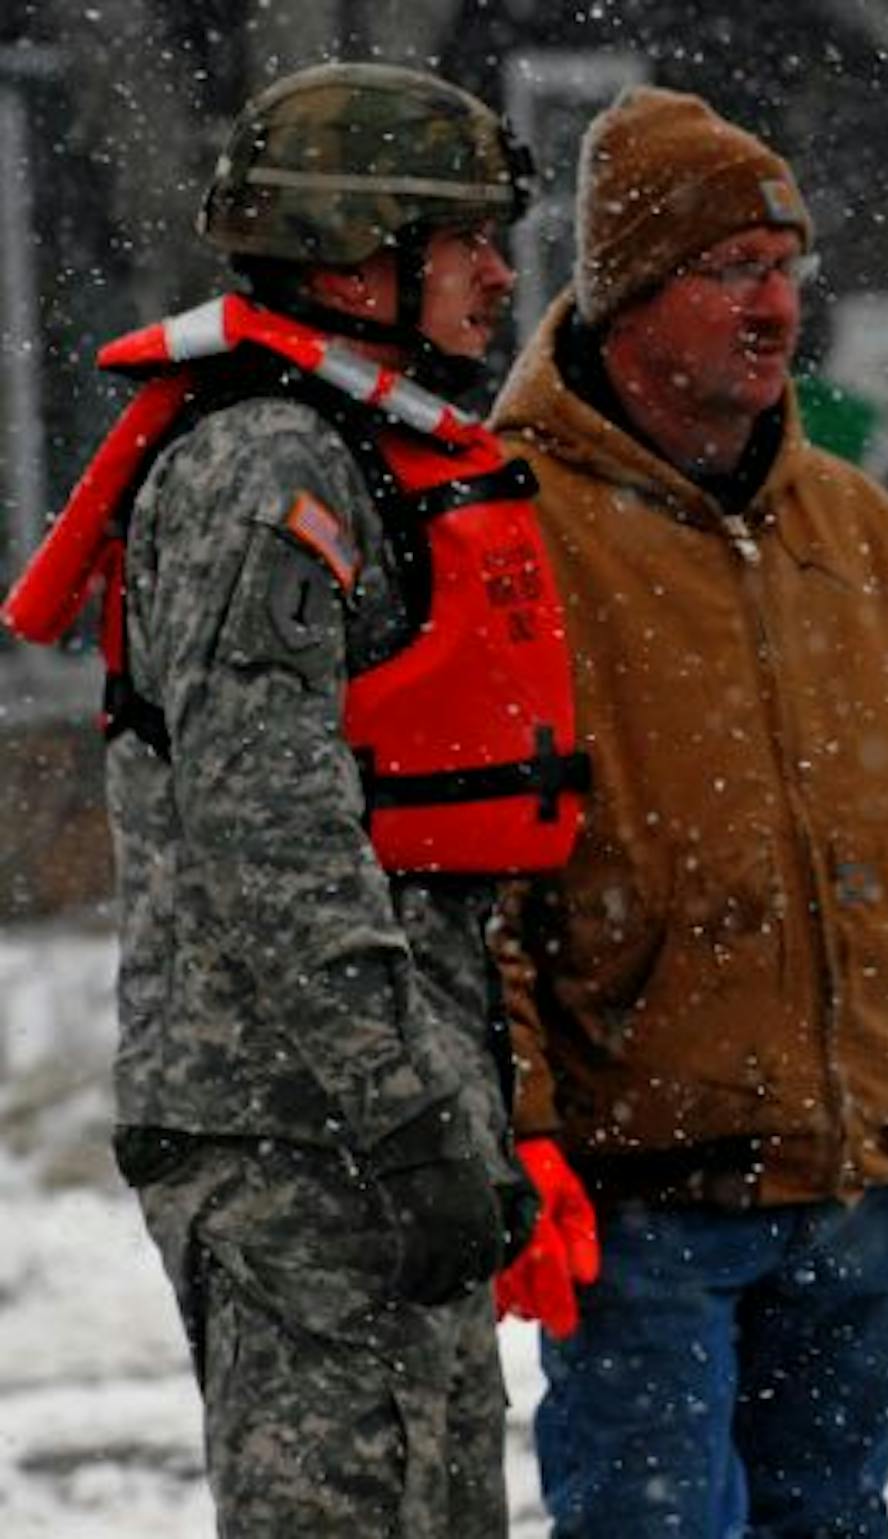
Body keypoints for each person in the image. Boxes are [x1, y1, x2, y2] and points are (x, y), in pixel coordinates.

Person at [486, 84, 888, 1538]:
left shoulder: (868, 544)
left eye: (787, 268)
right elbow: (479, 893)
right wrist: (523, 1136)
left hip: (856, 1197)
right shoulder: (508, 535)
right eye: (732, 269)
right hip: (642, 1207)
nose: (775, 306)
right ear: (630, 294)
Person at [0, 62, 588, 1537]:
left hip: (371, 1120)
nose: (501, 274)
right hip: (292, 1135)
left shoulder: (356, 447)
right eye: (466, 241)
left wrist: (450, 1111)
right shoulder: (268, 467)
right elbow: (269, 829)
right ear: (356, 253)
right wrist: (406, 1115)